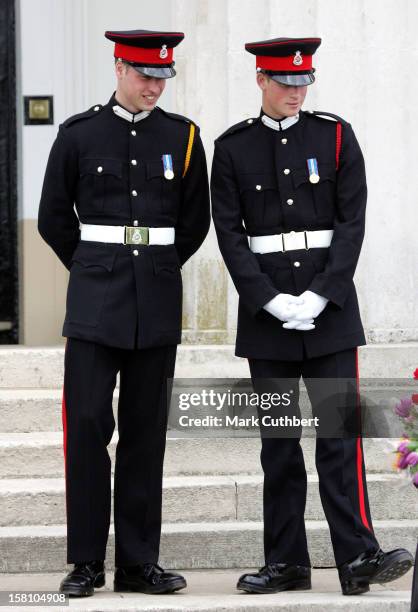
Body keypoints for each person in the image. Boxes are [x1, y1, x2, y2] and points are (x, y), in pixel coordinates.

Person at [210, 36, 413, 596]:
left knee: (339, 438)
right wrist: (270, 300)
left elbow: (353, 222)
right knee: (278, 445)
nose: (297, 93)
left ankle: (358, 558)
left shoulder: (336, 135)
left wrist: (323, 294)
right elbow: (229, 235)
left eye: (304, 82)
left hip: (331, 316)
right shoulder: (231, 149)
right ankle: (286, 564)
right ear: (260, 81)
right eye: (285, 83)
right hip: (266, 317)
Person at [38, 29, 210, 597]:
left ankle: (139, 563)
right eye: (144, 75)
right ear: (118, 68)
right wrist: (92, 269)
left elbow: (193, 224)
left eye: (162, 76)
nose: (154, 86)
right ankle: (86, 562)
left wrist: (157, 270)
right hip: (94, 305)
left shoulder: (183, 137)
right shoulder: (80, 134)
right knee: (87, 428)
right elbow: (54, 218)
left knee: (145, 434)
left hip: (155, 304)